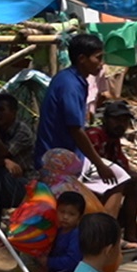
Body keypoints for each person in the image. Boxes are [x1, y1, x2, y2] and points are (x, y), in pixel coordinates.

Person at [35, 34, 117, 185]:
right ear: (82, 59)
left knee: (122, 183)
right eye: (98, 58)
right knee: (118, 184)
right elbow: (76, 130)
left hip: (70, 156)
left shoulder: (72, 79)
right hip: (57, 161)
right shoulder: (70, 85)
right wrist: (99, 165)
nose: (101, 63)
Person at [86, 100, 137, 250]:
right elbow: (94, 173)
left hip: (104, 186)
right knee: (127, 186)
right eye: (117, 120)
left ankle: (131, 235)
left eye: (124, 121)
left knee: (132, 187)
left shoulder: (114, 141)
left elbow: (123, 170)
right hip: (90, 187)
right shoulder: (94, 136)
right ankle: (119, 239)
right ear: (106, 120)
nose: (121, 124)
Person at [0, 92, 35, 225]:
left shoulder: (23, 131)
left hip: (22, 184)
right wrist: (4, 162)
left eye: (2, 110)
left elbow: (3, 152)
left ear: (13, 112)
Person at [28, 191, 86, 272]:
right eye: (62, 212)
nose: (65, 217)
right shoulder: (56, 231)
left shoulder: (76, 234)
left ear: (79, 217)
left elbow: (72, 261)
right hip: (56, 271)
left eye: (71, 214)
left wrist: (48, 262)